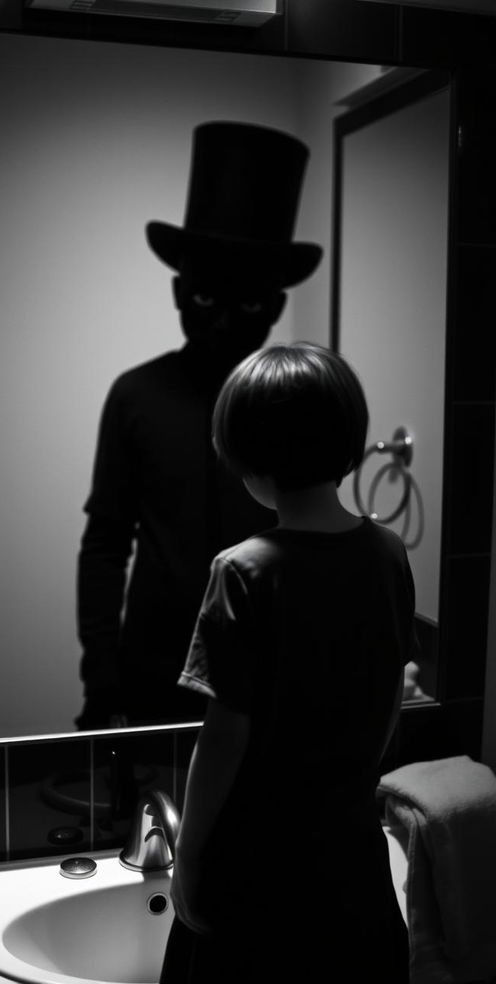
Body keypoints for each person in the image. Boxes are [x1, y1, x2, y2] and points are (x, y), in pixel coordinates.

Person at [160, 342, 415, 984]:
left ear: (249, 459)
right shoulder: (388, 553)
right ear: (349, 443)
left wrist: (188, 857)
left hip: (258, 866)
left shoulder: (242, 570)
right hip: (353, 860)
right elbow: (388, 702)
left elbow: (224, 737)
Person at [75, 121, 323, 729]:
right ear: (180, 291)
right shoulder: (136, 396)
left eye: (248, 305)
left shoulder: (301, 399)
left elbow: (319, 541)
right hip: (152, 669)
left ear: (276, 307)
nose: (222, 324)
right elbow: (106, 543)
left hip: (275, 665)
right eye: (208, 299)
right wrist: (101, 674)